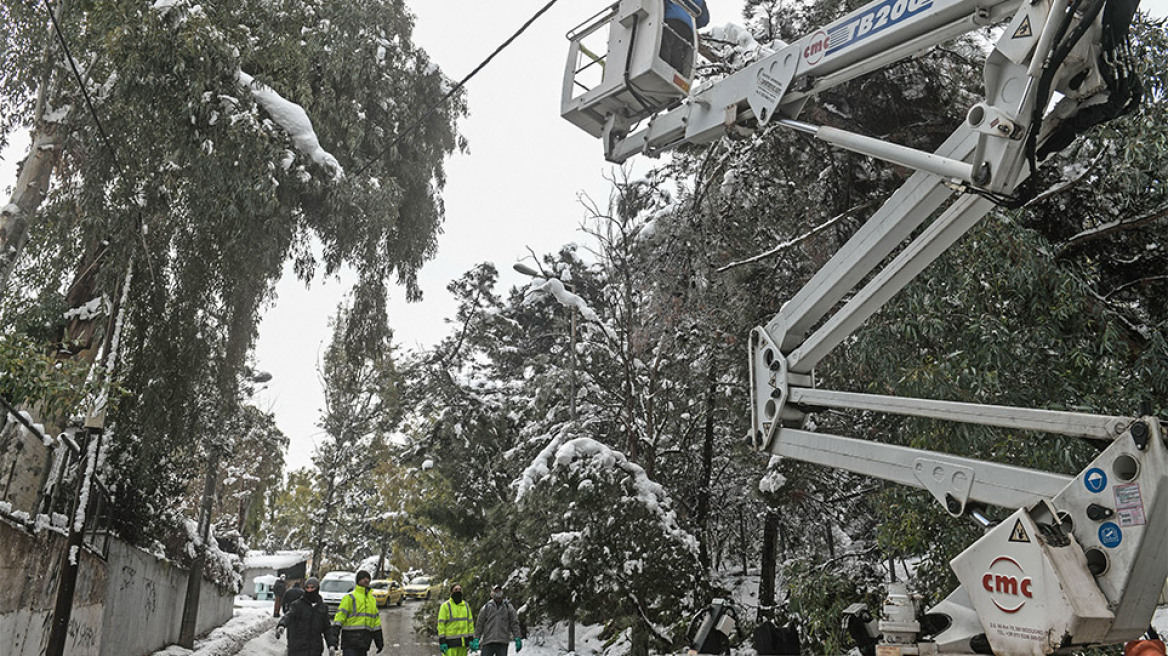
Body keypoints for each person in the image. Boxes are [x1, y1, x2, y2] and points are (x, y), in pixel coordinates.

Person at [277, 576, 338, 656]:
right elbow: (289, 615)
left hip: (315, 649)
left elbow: (327, 629)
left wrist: (331, 645)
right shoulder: (297, 605)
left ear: (317, 588)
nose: (309, 590)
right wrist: (282, 624)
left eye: (312, 588)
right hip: (298, 648)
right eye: (307, 588)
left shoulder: (322, 608)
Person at [331, 570, 385, 655]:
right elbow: (339, 619)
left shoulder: (372, 600)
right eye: (363, 578)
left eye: (368, 578)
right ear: (358, 581)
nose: (366, 580)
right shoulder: (349, 598)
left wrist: (379, 642)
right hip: (350, 644)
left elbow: (376, 624)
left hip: (364, 644)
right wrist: (333, 640)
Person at [661, 0, 710, 78]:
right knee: (677, 50)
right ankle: (676, 73)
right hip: (688, 27)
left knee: (666, 44)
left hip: (672, 17)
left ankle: (662, 69)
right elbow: (704, 20)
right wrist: (689, 19)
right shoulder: (700, 2)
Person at [475, 585, 522, 656]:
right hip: (488, 641)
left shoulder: (508, 607)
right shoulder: (486, 607)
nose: (498, 593)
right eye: (496, 591)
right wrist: (476, 638)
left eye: (499, 591)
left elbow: (514, 623)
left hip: (502, 642)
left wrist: (517, 637)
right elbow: (480, 624)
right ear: (492, 594)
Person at [438, 583, 476, 656]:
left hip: (463, 644)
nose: (458, 591)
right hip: (450, 644)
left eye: (459, 590)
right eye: (456, 590)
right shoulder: (445, 606)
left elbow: (470, 623)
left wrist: (471, 639)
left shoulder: (466, 605)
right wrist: (442, 641)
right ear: (451, 592)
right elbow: (441, 625)